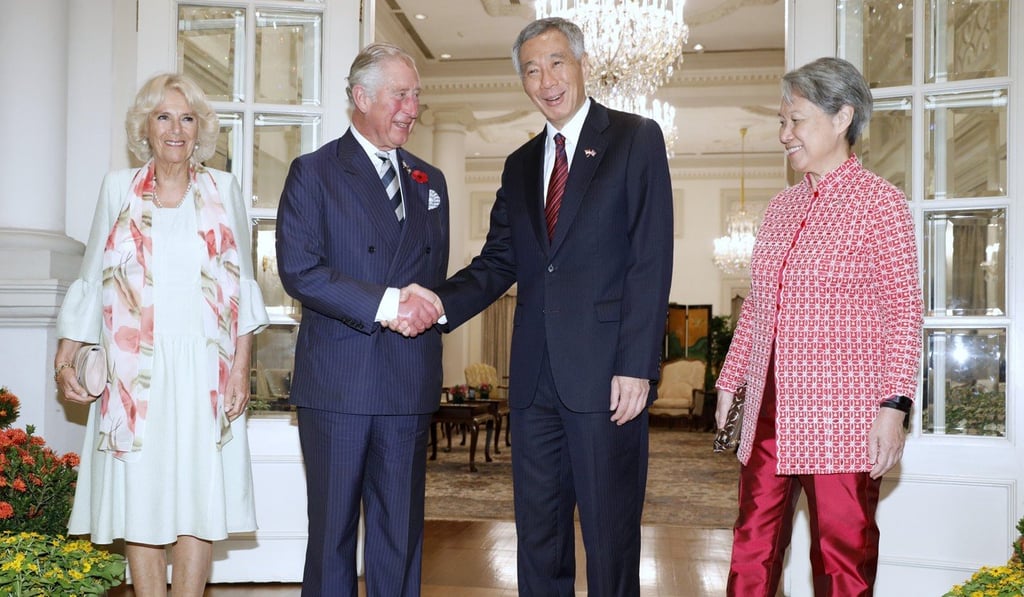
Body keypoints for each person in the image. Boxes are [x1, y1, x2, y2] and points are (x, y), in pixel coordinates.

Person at [401, 17, 673, 596]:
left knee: (609, 535)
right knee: (538, 538)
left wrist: (636, 364)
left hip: (607, 378)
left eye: (555, 63)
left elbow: (650, 261)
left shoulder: (635, 137)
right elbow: (499, 261)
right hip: (532, 385)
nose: (545, 79)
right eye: (531, 69)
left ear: (581, 65)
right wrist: (437, 302)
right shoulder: (519, 164)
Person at [714, 56, 923, 596]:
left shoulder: (882, 205)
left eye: (796, 120)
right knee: (751, 549)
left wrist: (894, 406)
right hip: (768, 410)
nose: (784, 135)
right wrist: (730, 382)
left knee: (841, 559)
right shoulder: (780, 208)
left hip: (843, 414)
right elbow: (760, 307)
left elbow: (902, 313)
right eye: (781, 122)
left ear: (841, 117)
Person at [55, 73, 269, 596]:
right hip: (134, 373)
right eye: (164, 117)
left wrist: (242, 367)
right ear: (145, 128)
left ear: (201, 130)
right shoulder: (117, 189)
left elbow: (242, 285)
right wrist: (66, 359)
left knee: (198, 497)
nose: (176, 129)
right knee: (141, 497)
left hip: (205, 371)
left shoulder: (224, 189)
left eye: (188, 118)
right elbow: (90, 276)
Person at [275, 42, 449, 597]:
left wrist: (419, 306)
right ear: (360, 96)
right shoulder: (314, 172)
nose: (411, 108)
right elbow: (300, 271)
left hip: (407, 380)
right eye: (400, 95)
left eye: (416, 96)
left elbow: (431, 277)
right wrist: (388, 304)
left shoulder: (430, 180)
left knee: (400, 534)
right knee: (332, 536)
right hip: (339, 384)